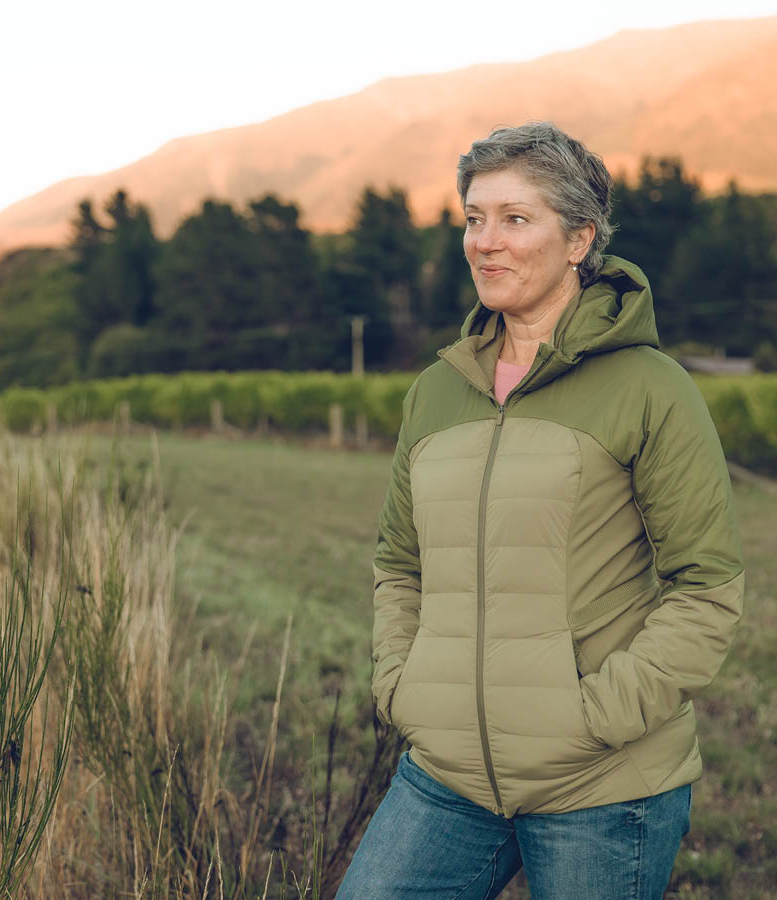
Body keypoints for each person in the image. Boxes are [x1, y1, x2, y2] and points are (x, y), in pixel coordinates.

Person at [337, 122, 744, 900]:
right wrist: (402, 687)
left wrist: (594, 717)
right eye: (474, 217)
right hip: (446, 777)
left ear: (579, 239)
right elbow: (398, 563)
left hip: (601, 782)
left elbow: (707, 586)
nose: (485, 242)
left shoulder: (649, 387)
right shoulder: (434, 392)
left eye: (515, 219)